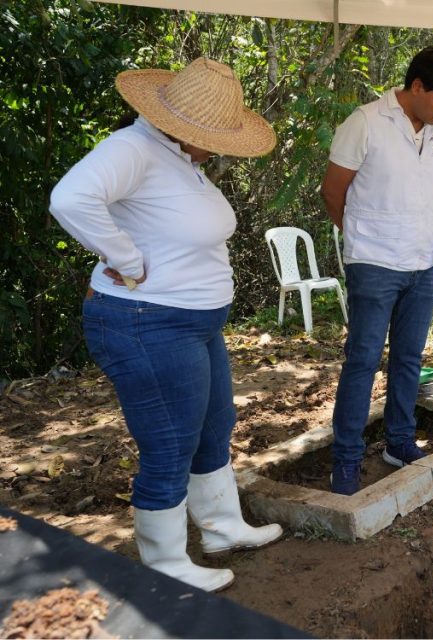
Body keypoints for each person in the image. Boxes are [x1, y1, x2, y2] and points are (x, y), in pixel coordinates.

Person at [49, 58, 283, 592]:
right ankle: (165, 562)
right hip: (145, 323)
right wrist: (127, 260)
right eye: (211, 137)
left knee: (213, 427)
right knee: (170, 442)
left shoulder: (178, 158)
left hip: (192, 325)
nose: (217, 147)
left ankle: (222, 528)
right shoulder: (132, 150)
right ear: (178, 125)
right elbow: (70, 198)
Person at [320, 47, 433, 495]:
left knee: (409, 358)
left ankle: (398, 441)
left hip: (425, 263)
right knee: (362, 361)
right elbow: (332, 192)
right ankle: (345, 459)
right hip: (374, 264)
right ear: (416, 86)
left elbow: (432, 190)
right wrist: (364, 238)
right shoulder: (364, 123)